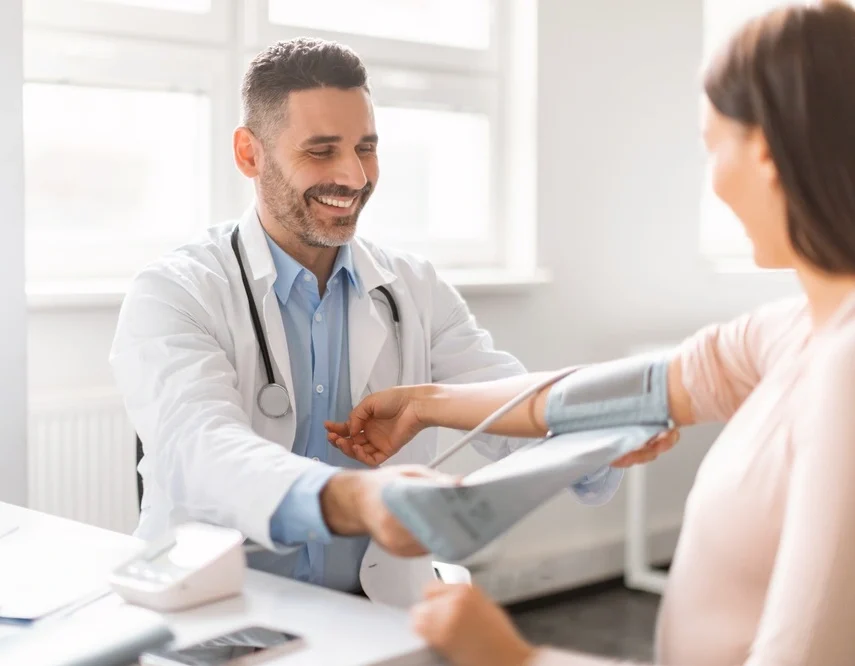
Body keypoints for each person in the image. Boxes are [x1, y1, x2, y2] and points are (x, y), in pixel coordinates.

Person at [325, 2, 855, 663]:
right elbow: (619, 394)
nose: (713, 180)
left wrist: (512, 657)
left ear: (766, 153)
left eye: (712, 146)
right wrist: (427, 403)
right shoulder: (795, 329)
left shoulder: (846, 368)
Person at [109, 37, 648, 595]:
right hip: (221, 606)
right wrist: (358, 499)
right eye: (322, 151)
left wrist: (598, 436)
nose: (354, 176)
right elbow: (200, 451)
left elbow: (503, 405)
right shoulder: (175, 291)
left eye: (365, 148)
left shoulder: (414, 289)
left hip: (375, 606)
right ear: (250, 154)